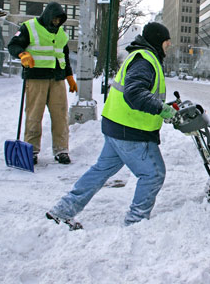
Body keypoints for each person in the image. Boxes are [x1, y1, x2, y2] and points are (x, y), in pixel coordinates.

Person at [47, 22, 176, 228]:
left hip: (116, 126)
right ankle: (136, 223)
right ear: (157, 41)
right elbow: (134, 93)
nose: (168, 46)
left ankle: (63, 209)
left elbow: (143, 93)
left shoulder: (141, 56)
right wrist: (161, 109)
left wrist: (163, 107)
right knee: (153, 174)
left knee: (101, 171)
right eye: (166, 42)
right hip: (131, 131)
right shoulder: (145, 60)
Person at [7, 2, 77, 165]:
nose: (57, 22)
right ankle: (30, 150)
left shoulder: (61, 34)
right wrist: (22, 53)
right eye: (54, 19)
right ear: (48, 16)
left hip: (57, 79)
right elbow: (13, 44)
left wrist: (69, 77)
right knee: (34, 115)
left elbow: (64, 56)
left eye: (60, 20)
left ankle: (61, 150)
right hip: (36, 77)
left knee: (60, 115)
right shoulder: (29, 27)